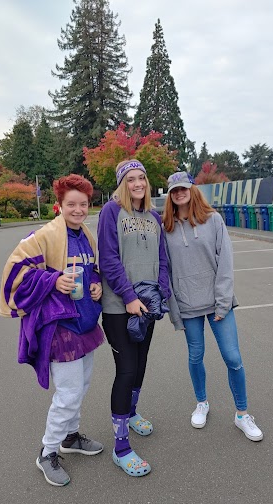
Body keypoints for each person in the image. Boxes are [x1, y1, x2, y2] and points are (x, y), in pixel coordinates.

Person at [0, 174, 105, 487]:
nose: (77, 209)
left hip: (84, 321)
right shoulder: (43, 235)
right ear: (59, 205)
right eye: (71, 204)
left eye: (83, 204)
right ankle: (47, 452)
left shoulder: (86, 235)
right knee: (69, 392)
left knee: (81, 385)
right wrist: (52, 280)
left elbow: (92, 269)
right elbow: (16, 269)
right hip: (59, 326)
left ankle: (70, 437)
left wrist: (96, 284)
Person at [163, 172, 263, 441]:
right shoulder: (166, 228)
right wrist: (175, 313)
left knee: (233, 357)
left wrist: (222, 303)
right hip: (187, 305)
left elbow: (225, 264)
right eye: (174, 191)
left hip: (218, 304)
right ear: (170, 196)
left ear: (193, 190)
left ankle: (242, 414)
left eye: (183, 188)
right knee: (195, 356)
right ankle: (202, 403)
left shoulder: (213, 220)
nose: (179, 193)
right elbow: (167, 273)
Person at [97, 159, 171, 477]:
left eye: (141, 177)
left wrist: (161, 293)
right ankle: (121, 447)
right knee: (126, 370)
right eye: (131, 179)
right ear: (122, 183)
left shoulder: (154, 217)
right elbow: (109, 258)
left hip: (147, 307)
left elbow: (163, 259)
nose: (138, 183)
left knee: (140, 365)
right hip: (119, 308)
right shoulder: (111, 212)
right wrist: (128, 297)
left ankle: (132, 412)